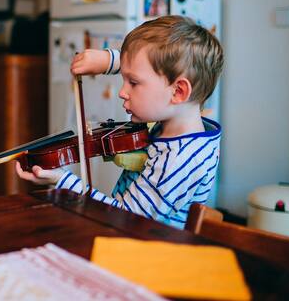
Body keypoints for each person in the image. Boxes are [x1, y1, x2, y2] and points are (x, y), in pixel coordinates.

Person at [16, 16, 224, 229]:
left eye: (133, 83)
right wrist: (108, 61)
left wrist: (64, 182)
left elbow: (126, 218)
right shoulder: (183, 120)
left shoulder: (178, 160)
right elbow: (150, 64)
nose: (122, 92)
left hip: (144, 250)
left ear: (178, 91)